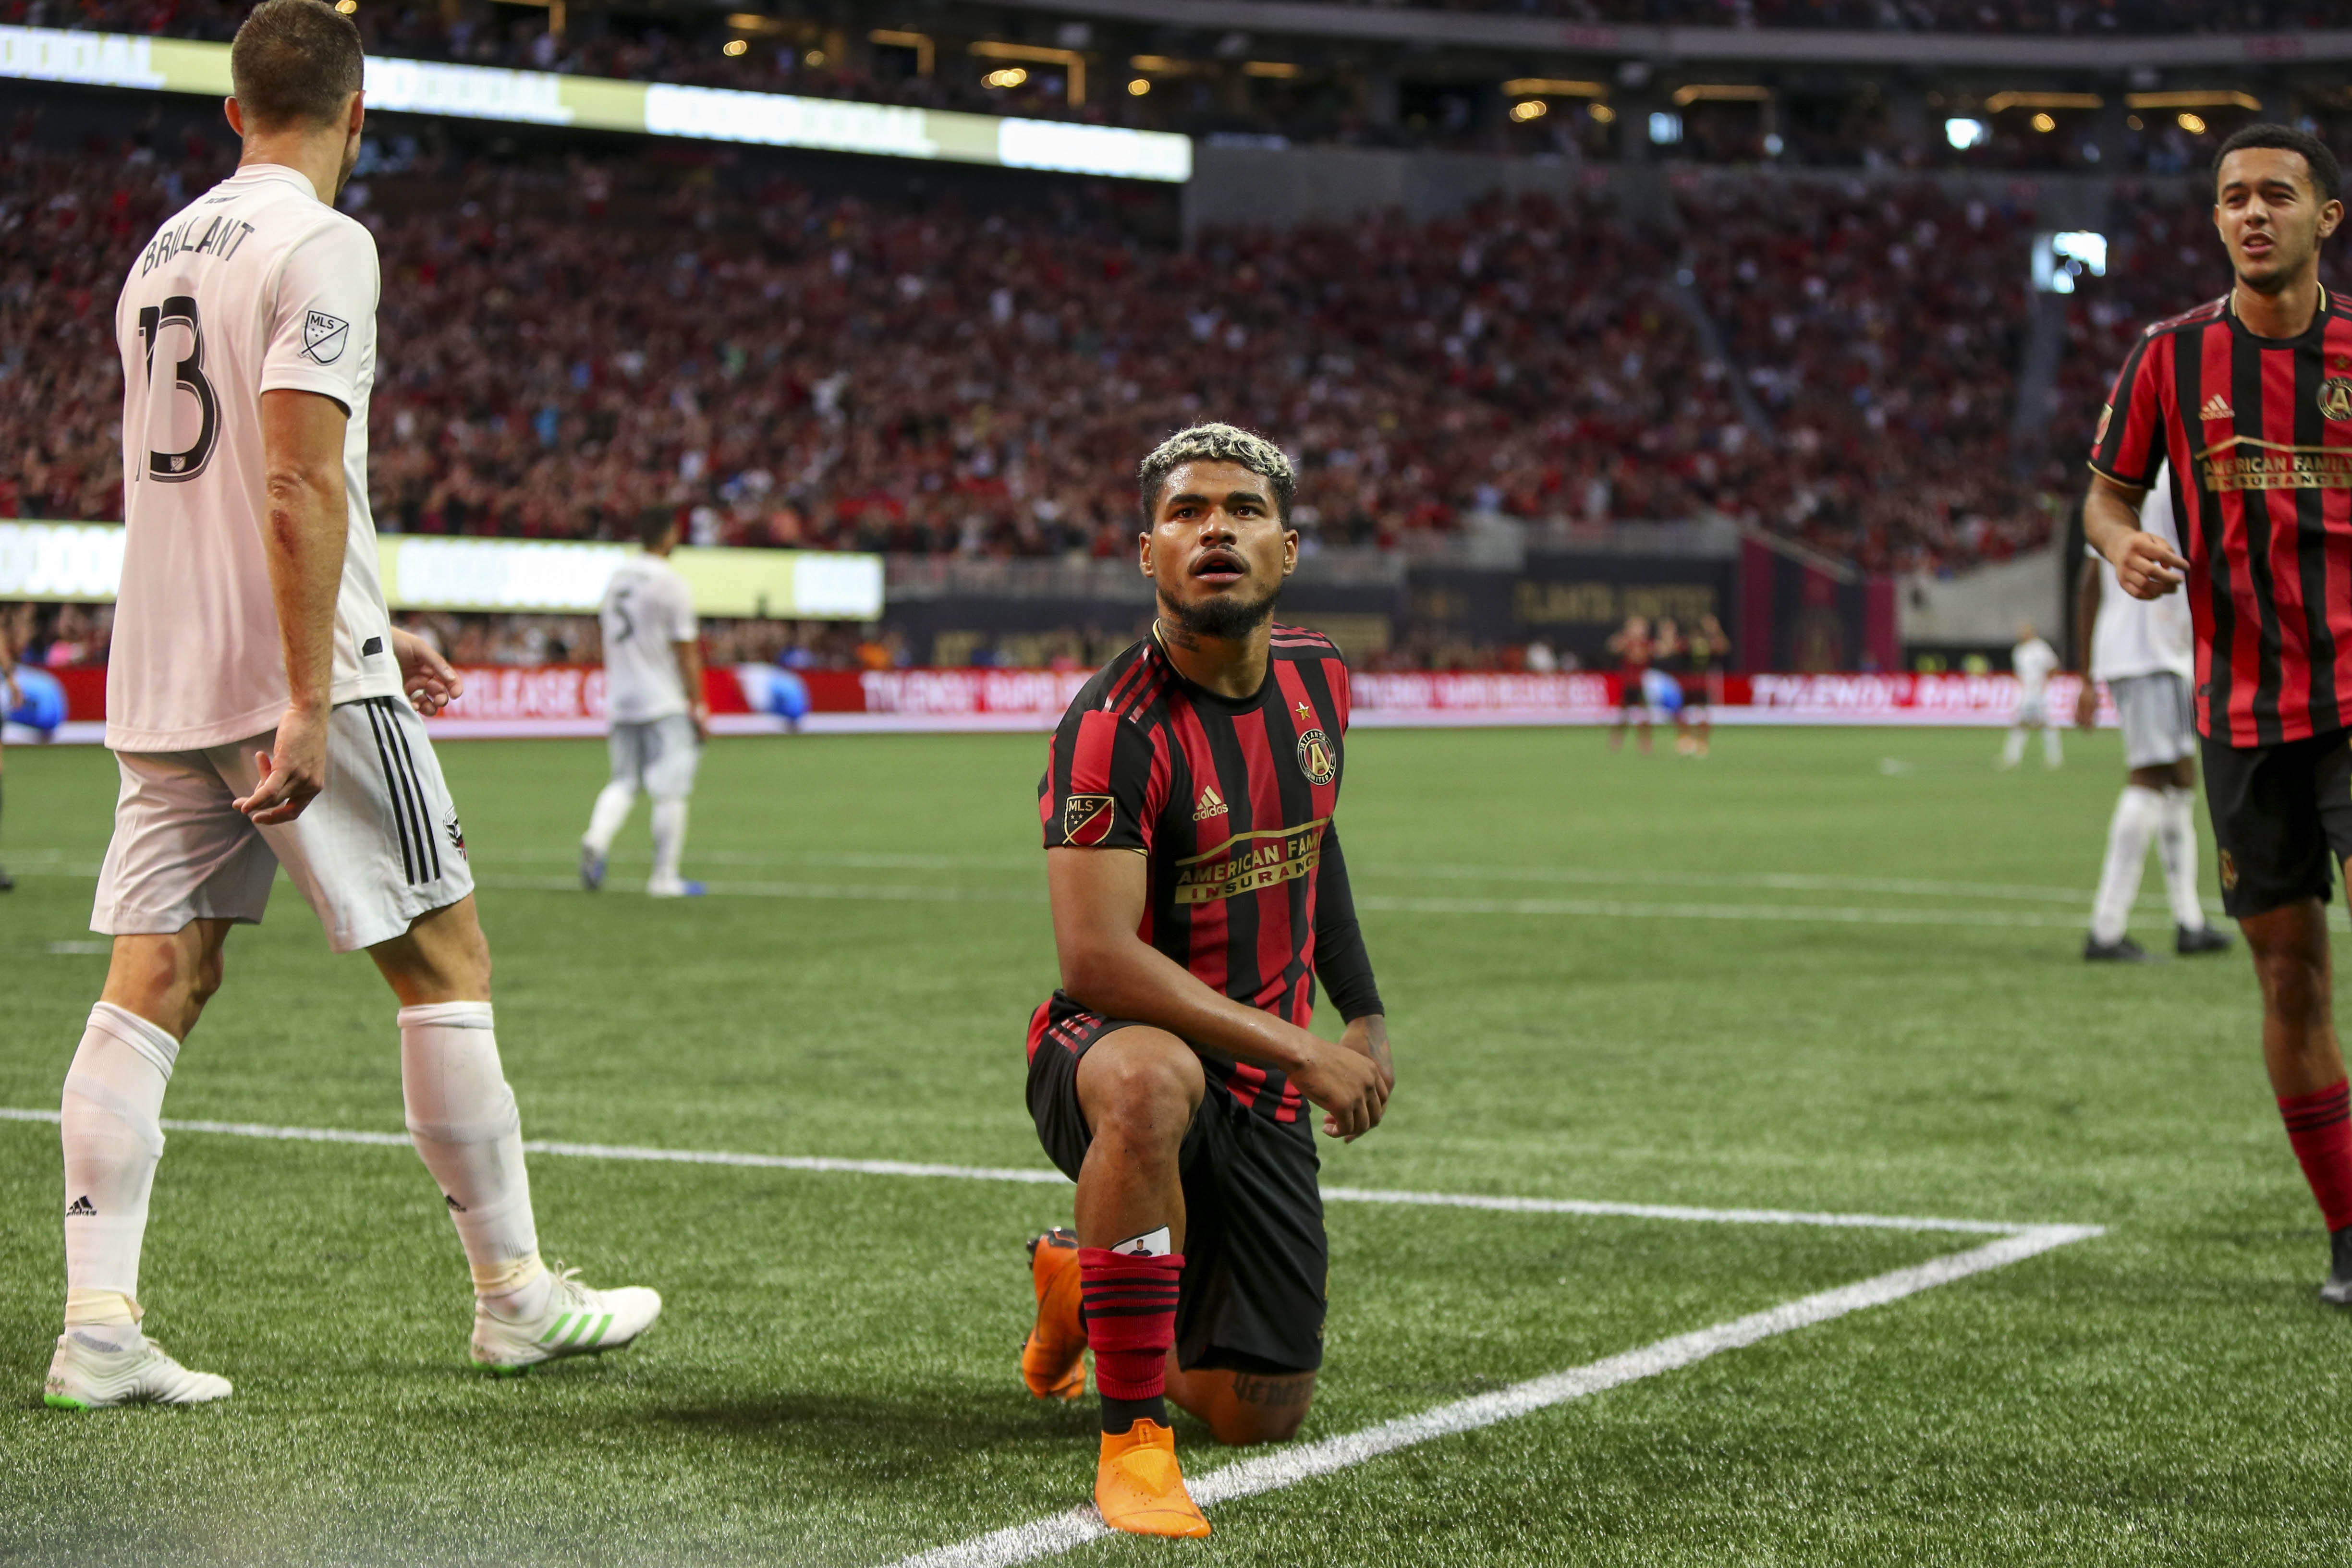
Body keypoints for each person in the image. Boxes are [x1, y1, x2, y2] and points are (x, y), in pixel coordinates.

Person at [49, 0, 658, 1410]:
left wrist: (378, 613)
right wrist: (318, 687)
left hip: (162, 672)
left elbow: (216, 493)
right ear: (358, 110)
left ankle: (97, 1325)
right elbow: (293, 478)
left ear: (231, 110)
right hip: (284, 675)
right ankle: (514, 1295)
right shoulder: (326, 241)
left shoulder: (159, 253)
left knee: (156, 982)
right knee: (446, 960)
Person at [1021, 424, 1393, 1538]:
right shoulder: (1109, 726)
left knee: (1259, 1410)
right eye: (1185, 513)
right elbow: (1094, 961)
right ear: (1147, 554)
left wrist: (1362, 1014)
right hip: (1103, 1049)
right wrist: (1305, 1048)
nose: (1213, 528)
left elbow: (1312, 841)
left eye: (1240, 509)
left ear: (1287, 546)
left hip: (1263, 1082)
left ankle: (1085, 1281)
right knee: (1149, 1077)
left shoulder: (1320, 678)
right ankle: (1132, 1441)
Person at [2085, 123, 2352, 1304]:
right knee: (2288, 978)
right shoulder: (2164, 359)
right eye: (2233, 198)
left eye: (2276, 196)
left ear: (2323, 218)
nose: (2252, 214)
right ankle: (2348, 1233)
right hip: (2241, 713)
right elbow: (2100, 498)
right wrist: (2124, 543)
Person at [2076, 468, 2232, 962]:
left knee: (2181, 777)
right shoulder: (2169, 471)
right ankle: (2105, 929)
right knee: (2149, 776)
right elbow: (2090, 584)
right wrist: (2082, 676)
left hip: (2165, 653)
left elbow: (2087, 581)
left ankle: (2188, 920)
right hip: (2148, 651)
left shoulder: (2125, 479)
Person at [579, 512, 707, 898]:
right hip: (662, 698)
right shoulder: (671, 583)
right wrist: (699, 704)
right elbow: (686, 652)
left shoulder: (617, 579)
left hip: (621, 697)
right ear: (669, 535)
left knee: (623, 780)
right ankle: (664, 877)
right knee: (670, 790)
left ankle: (596, 838)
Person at [1998, 622, 2063, 769]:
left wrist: (2045, 684)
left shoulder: (2041, 648)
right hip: (2026, 691)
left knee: (2048, 724)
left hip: (2041, 690)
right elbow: (2019, 673)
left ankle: (2054, 758)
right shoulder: (2019, 651)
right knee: (2020, 723)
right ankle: (2012, 757)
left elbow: (2053, 666)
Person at [1606, 614, 1656, 753]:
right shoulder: (1626, 642)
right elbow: (1612, 647)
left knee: (1644, 714)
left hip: (1642, 683)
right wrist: (1624, 638)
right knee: (1624, 714)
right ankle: (1617, 739)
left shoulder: (1647, 644)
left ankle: (1645, 742)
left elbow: (1647, 656)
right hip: (1629, 682)